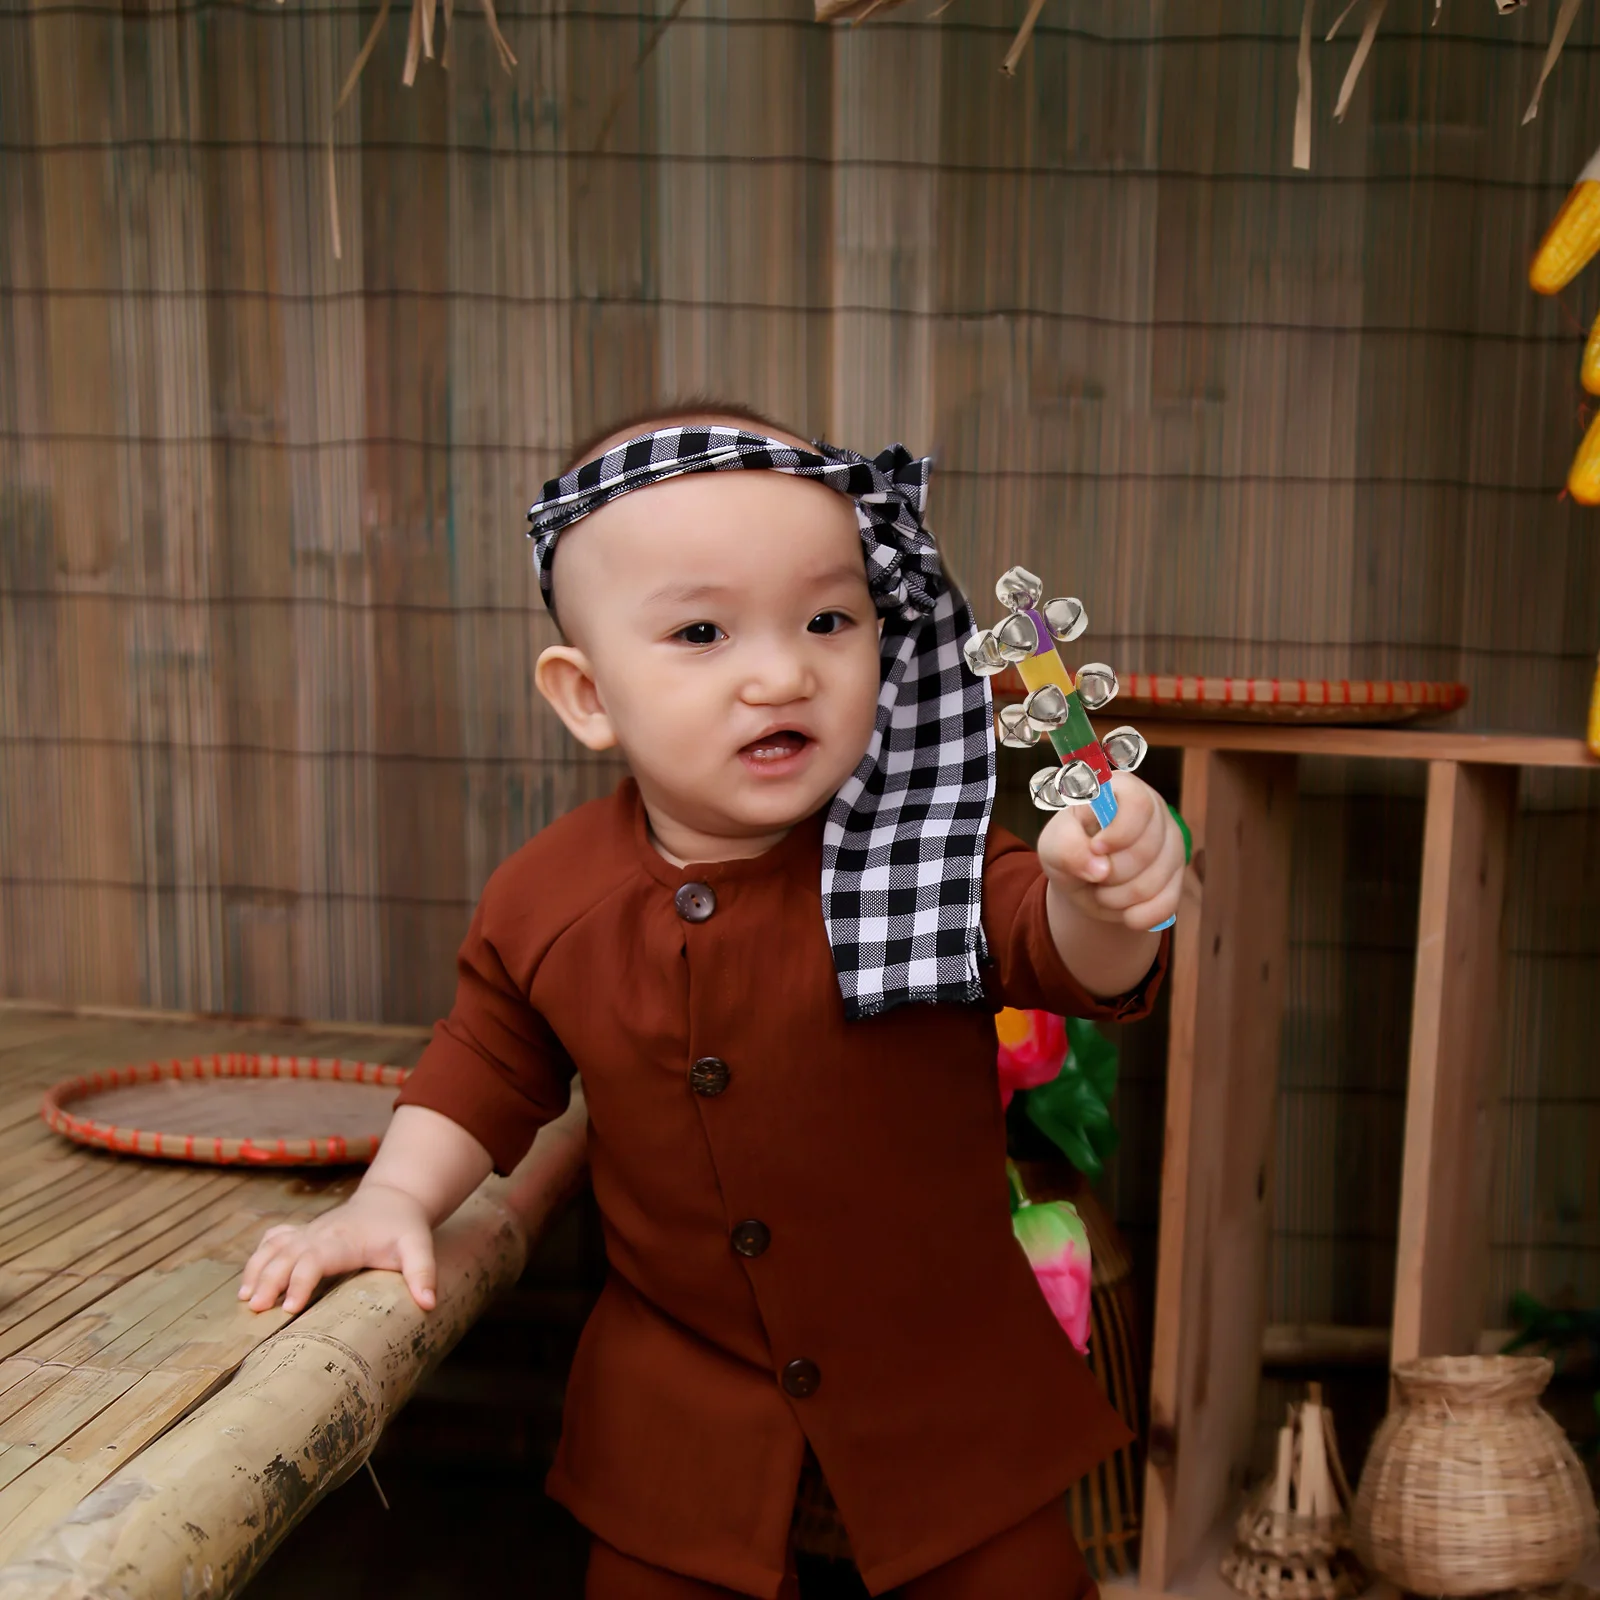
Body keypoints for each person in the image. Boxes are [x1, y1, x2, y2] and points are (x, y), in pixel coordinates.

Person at [238, 402, 1185, 1600]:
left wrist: (1103, 904)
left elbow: (1061, 957)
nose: (783, 670)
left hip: (945, 1388)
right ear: (586, 695)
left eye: (829, 619)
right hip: (682, 1400)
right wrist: (392, 1198)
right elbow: (486, 1062)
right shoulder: (552, 898)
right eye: (701, 630)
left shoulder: (924, 852)